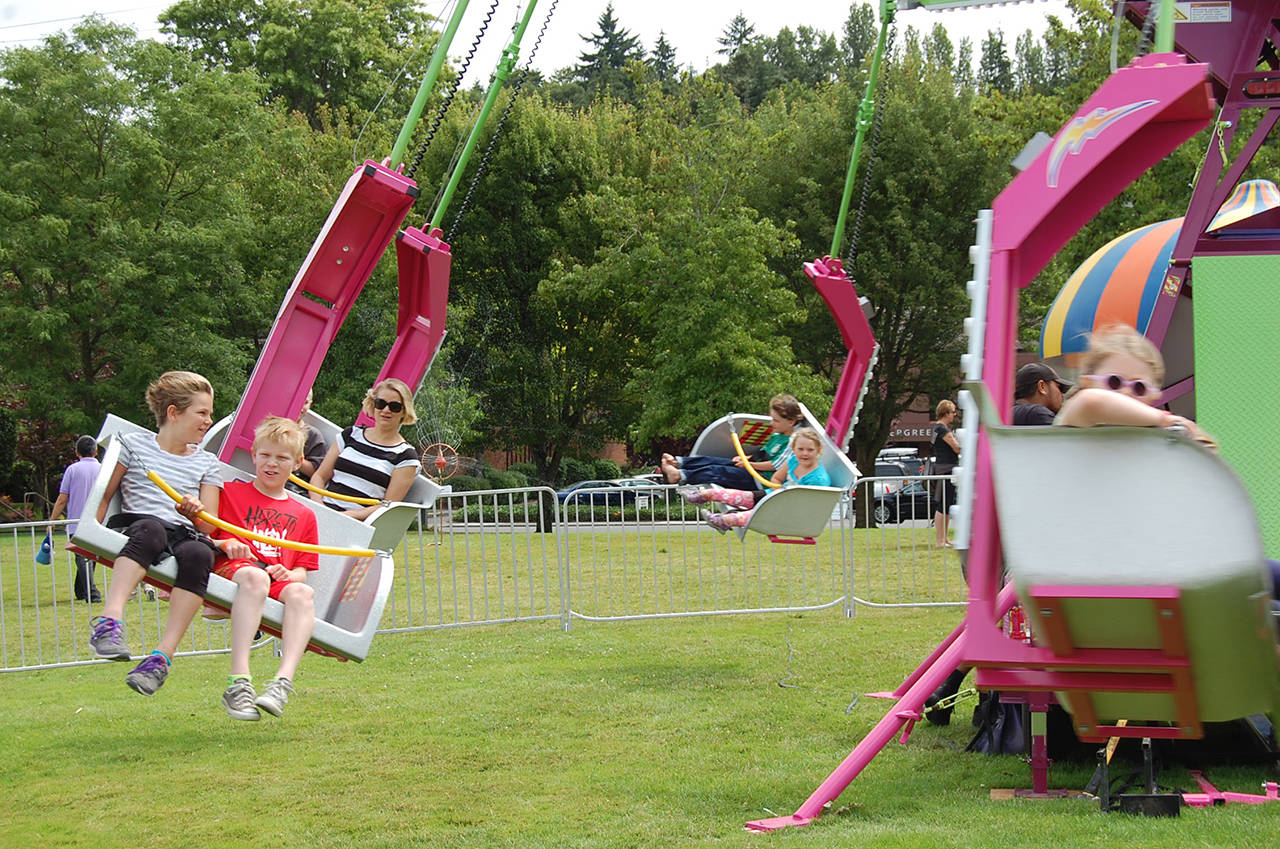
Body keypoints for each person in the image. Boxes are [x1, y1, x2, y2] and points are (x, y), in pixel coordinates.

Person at [89, 371, 223, 696]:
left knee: (200, 553)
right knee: (150, 530)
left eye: (210, 413)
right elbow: (104, 495)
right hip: (142, 525)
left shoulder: (207, 462)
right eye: (202, 413)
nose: (208, 420)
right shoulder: (133, 446)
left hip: (182, 531)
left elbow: (209, 525)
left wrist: (195, 511)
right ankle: (109, 623)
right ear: (173, 413)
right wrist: (86, 538)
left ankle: (161, 659)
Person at [212, 416, 319, 721]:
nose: (272, 464)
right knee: (255, 576)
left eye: (282, 458)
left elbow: (302, 570)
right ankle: (238, 681)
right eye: (266, 456)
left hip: (275, 580)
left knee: (303, 593)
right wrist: (227, 543)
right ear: (254, 455)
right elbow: (209, 534)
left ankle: (282, 683)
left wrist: (290, 575)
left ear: (297, 463)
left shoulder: (303, 515)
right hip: (238, 569)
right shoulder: (230, 493)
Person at [679, 428, 830, 532]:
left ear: (818, 451)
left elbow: (808, 506)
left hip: (787, 511)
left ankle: (725, 521)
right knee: (742, 496)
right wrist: (774, 490)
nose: (804, 454)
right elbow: (777, 477)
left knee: (755, 514)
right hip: (774, 496)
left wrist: (778, 500)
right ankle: (703, 495)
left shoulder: (818, 479)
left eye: (810, 450)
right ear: (794, 449)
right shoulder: (792, 461)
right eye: (800, 449)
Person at [310, 378, 420, 520]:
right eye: (381, 404)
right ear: (372, 405)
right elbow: (320, 476)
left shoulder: (406, 456)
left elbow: (387, 506)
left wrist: (343, 516)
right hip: (322, 510)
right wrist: (318, 507)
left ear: (404, 411)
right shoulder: (350, 434)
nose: (386, 410)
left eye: (394, 406)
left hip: (355, 522)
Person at [659, 394, 805, 490]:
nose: (772, 423)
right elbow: (764, 454)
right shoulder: (777, 434)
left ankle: (680, 475)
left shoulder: (793, 442)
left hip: (759, 480)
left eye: (776, 420)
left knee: (718, 471)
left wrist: (749, 465)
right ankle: (679, 463)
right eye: (772, 418)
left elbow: (776, 466)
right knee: (716, 461)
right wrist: (746, 459)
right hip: (752, 469)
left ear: (791, 422)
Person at [48, 435, 103, 603]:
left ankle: (91, 593)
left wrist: (52, 521)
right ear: (95, 451)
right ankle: (81, 590)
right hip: (98, 521)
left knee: (82, 557)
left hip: (76, 522)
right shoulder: (104, 469)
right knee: (90, 557)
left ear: (77, 452)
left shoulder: (72, 470)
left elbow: (63, 499)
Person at [930, 400, 961, 548]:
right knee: (942, 505)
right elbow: (957, 448)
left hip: (943, 467)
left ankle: (945, 538)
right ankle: (940, 540)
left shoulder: (937, 429)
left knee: (946, 503)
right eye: (953, 412)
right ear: (946, 413)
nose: (954, 415)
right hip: (946, 469)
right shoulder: (943, 430)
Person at [287, 388, 329, 495]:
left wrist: (291, 455)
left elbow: (316, 472)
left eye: (305, 403)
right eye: (298, 401)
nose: (300, 407)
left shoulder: (313, 435)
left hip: (293, 489)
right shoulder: (271, 425)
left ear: (310, 404)